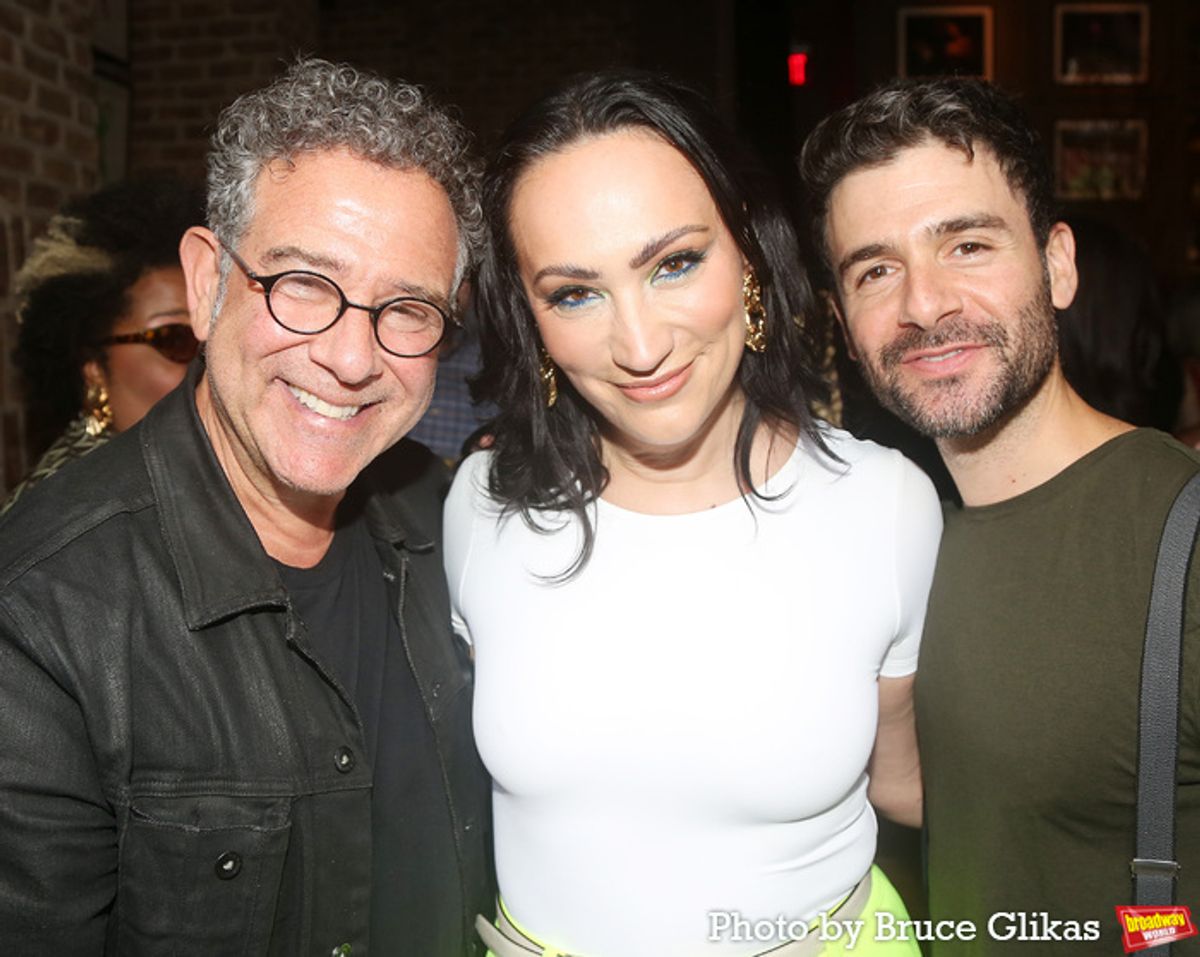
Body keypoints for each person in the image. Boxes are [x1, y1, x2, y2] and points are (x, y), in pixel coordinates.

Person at [445, 70, 942, 957]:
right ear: (529, 322)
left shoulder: (885, 506)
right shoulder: (480, 509)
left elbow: (918, 786)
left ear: (748, 256)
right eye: (574, 293)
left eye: (674, 263)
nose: (640, 347)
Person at [0, 58, 491, 955]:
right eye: (304, 282)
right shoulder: (42, 616)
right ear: (206, 280)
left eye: (408, 307)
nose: (351, 357)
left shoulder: (455, 520)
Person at [799, 77, 1200, 954]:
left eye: (968, 245)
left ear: (1058, 265)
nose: (925, 304)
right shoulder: (894, 542)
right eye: (876, 269)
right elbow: (946, 789)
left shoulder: (1184, 537)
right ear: (842, 320)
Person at [3, 176, 202, 514]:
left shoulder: (163, 478)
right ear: (94, 369)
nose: (204, 363)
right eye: (175, 338)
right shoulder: (69, 511)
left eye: (211, 338)